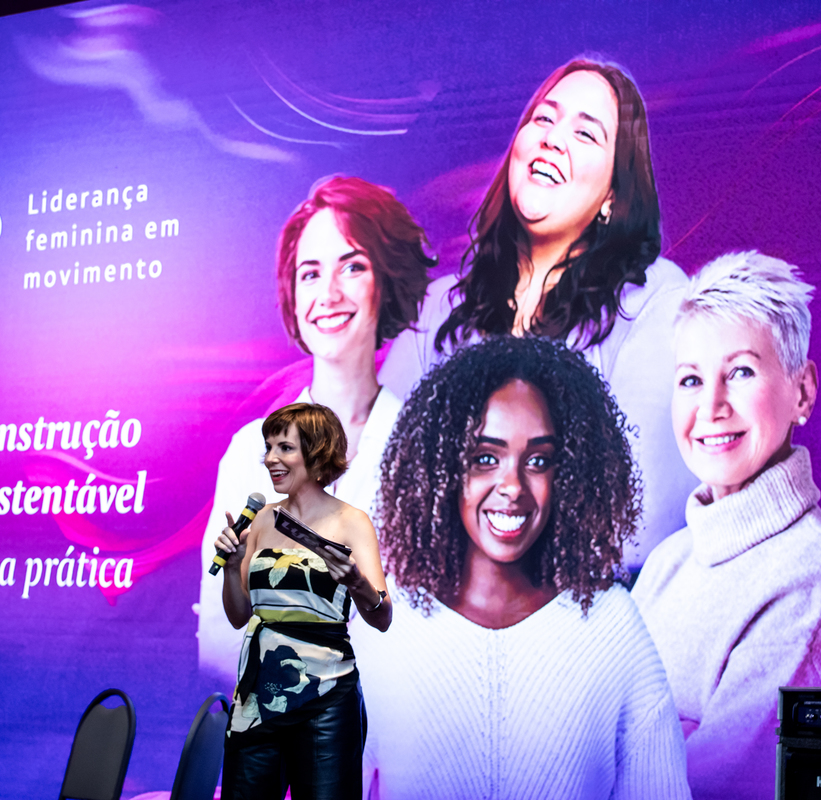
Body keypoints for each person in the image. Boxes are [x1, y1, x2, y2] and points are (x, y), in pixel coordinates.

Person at [377, 57, 697, 566]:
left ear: (613, 196)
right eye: (543, 118)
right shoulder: (439, 307)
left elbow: (640, 521)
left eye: (586, 134)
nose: (552, 138)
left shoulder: (654, 301)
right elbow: (375, 490)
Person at [352, 336, 690, 799]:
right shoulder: (386, 628)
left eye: (538, 460)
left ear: (568, 474)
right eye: (485, 458)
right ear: (444, 468)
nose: (511, 485)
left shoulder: (613, 629)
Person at [631, 251, 821, 799]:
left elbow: (709, 787)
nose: (711, 405)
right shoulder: (670, 560)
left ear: (802, 391)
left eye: (740, 372)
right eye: (691, 379)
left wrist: (644, 748)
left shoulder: (811, 572)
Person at [198, 177, 433, 689]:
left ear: (386, 280)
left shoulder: (429, 453)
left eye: (352, 266)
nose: (328, 295)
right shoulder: (249, 453)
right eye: (310, 273)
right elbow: (219, 637)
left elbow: (428, 633)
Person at [214, 403, 391, 800]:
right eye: (268, 448)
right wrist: (233, 566)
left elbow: (383, 617)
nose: (270, 459)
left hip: (326, 699)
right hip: (257, 701)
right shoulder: (262, 520)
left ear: (317, 452)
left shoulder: (351, 521)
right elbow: (239, 615)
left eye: (285, 448)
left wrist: (357, 583)